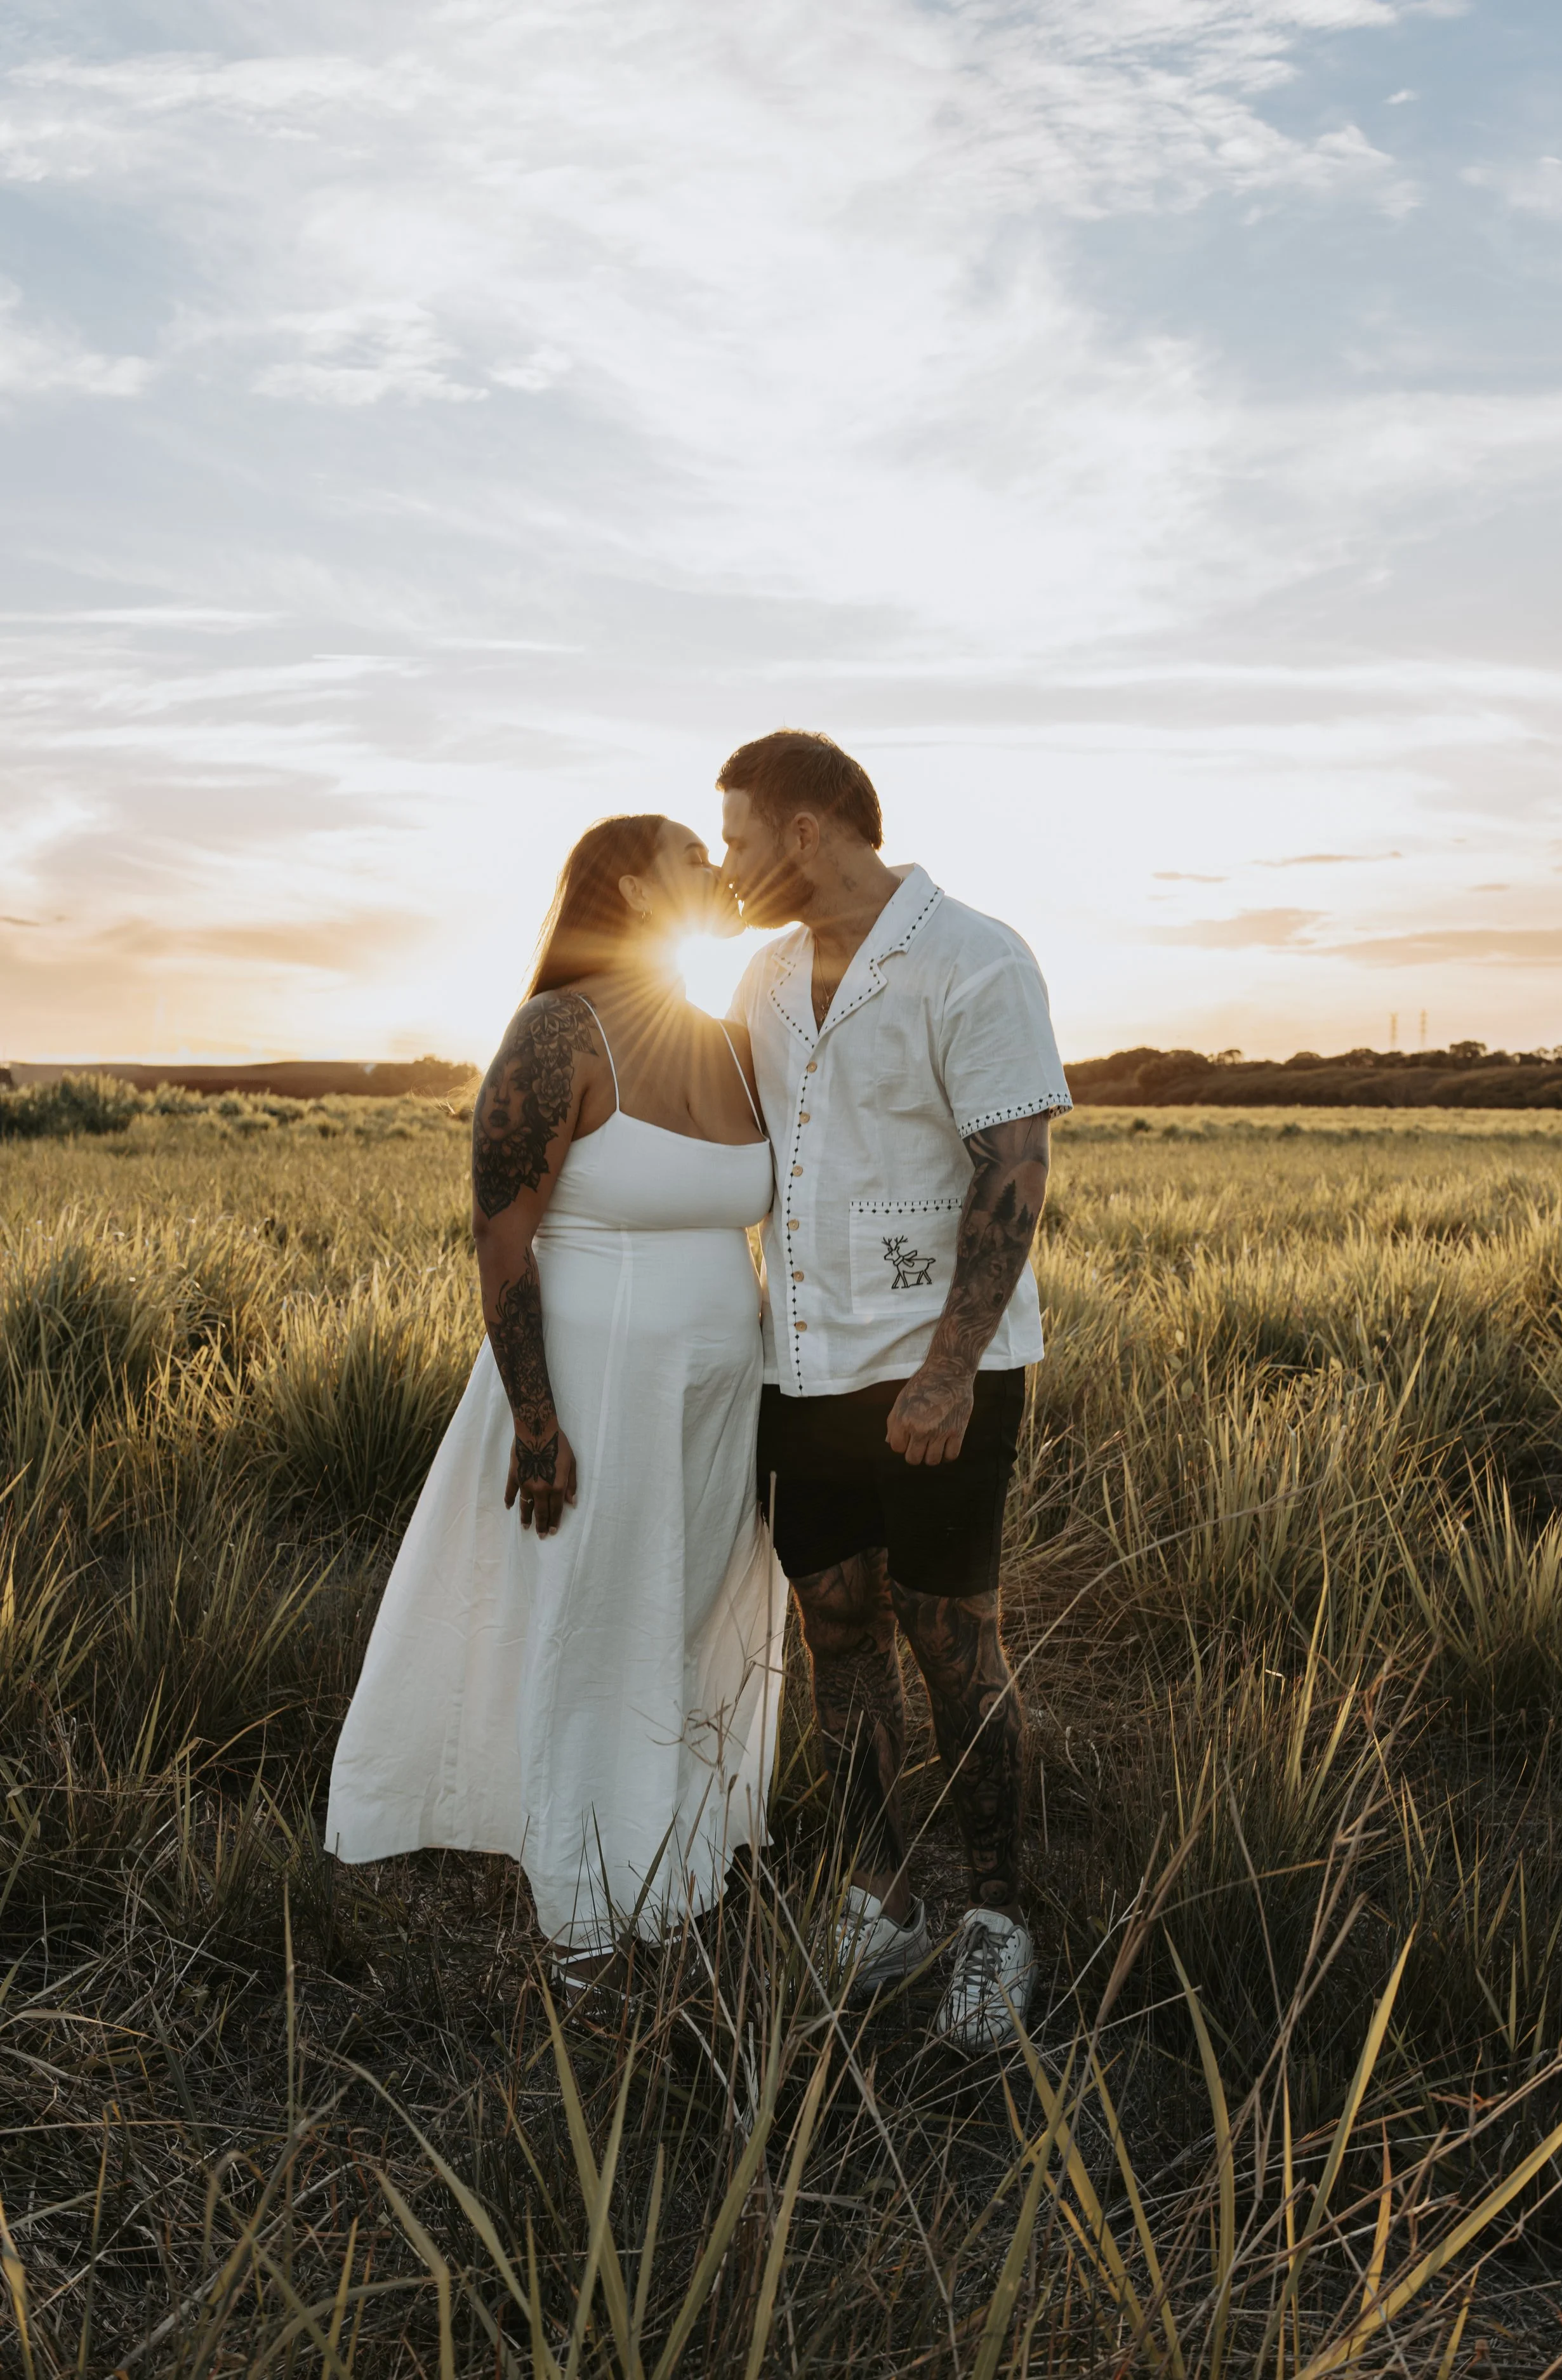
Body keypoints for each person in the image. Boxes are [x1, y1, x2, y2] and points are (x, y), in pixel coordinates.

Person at [324, 815, 786, 1992]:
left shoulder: (739, 1040)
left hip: (718, 1399)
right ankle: (587, 1923)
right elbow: (500, 1232)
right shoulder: (557, 1031)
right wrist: (537, 1422)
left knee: (682, 1619)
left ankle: (669, 1877)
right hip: (591, 1391)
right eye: (695, 855)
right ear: (635, 884)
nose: (719, 873)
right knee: (593, 1626)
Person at [722, 731, 1069, 2051]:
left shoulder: (971, 954)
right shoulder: (758, 977)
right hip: (799, 1364)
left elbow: (1012, 1169)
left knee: (949, 1636)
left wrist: (943, 1373)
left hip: (935, 1373)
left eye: (737, 837)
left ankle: (994, 1918)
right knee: (836, 1630)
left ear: (806, 830)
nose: (724, 863)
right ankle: (882, 1899)